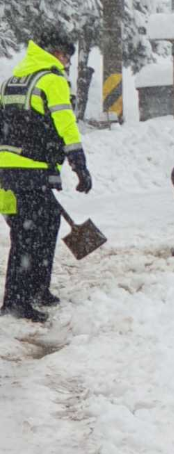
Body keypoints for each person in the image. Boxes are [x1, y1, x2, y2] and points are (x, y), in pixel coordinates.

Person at [0, 31, 93, 322]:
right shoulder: (52, 81)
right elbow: (66, 125)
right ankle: (17, 301)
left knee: (41, 226)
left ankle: (38, 289)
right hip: (31, 167)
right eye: (64, 55)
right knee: (30, 235)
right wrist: (80, 165)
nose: (66, 61)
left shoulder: (11, 82)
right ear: (53, 53)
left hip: (7, 170)